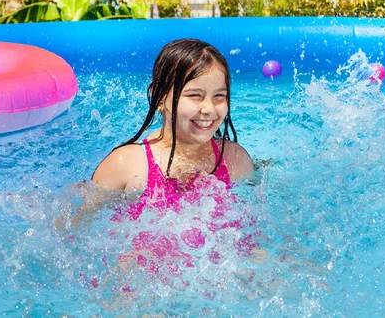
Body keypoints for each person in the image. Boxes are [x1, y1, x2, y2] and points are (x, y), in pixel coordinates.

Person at [59, 38, 254, 230]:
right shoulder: (127, 165)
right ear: (159, 97)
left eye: (219, 96)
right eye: (195, 95)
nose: (209, 109)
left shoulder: (234, 160)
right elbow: (75, 228)